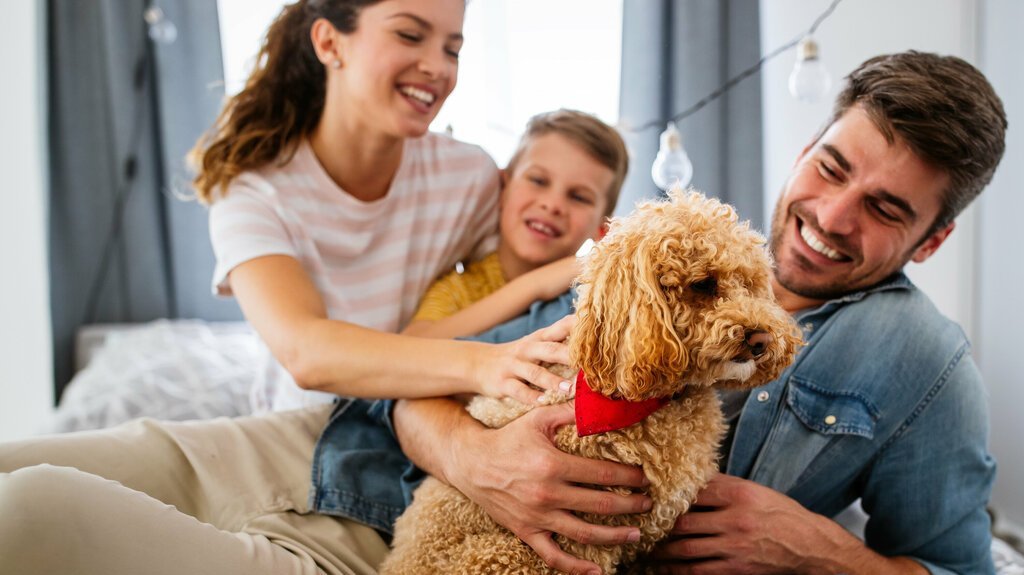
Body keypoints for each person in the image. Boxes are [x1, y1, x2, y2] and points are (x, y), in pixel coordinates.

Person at [0, 2, 648, 574]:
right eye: (410, 35)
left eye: (452, 48)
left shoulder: (471, 179)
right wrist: (487, 363)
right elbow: (307, 351)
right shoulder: (255, 190)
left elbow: (525, 258)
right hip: (296, 425)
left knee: (35, 510)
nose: (436, 65)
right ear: (329, 41)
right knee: (23, 471)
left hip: (382, 456)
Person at [368, 50, 1006, 575]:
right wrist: (477, 460)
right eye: (830, 168)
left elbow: (959, 567)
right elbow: (405, 393)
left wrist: (819, 553)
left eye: (885, 209)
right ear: (804, 150)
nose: (832, 217)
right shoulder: (659, 255)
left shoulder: (926, 363)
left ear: (932, 241)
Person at [404, 108, 627, 340]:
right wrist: (536, 285)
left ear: (603, 229)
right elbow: (412, 347)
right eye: (538, 180)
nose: (552, 205)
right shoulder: (458, 290)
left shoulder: (594, 299)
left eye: (579, 197)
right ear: (502, 188)